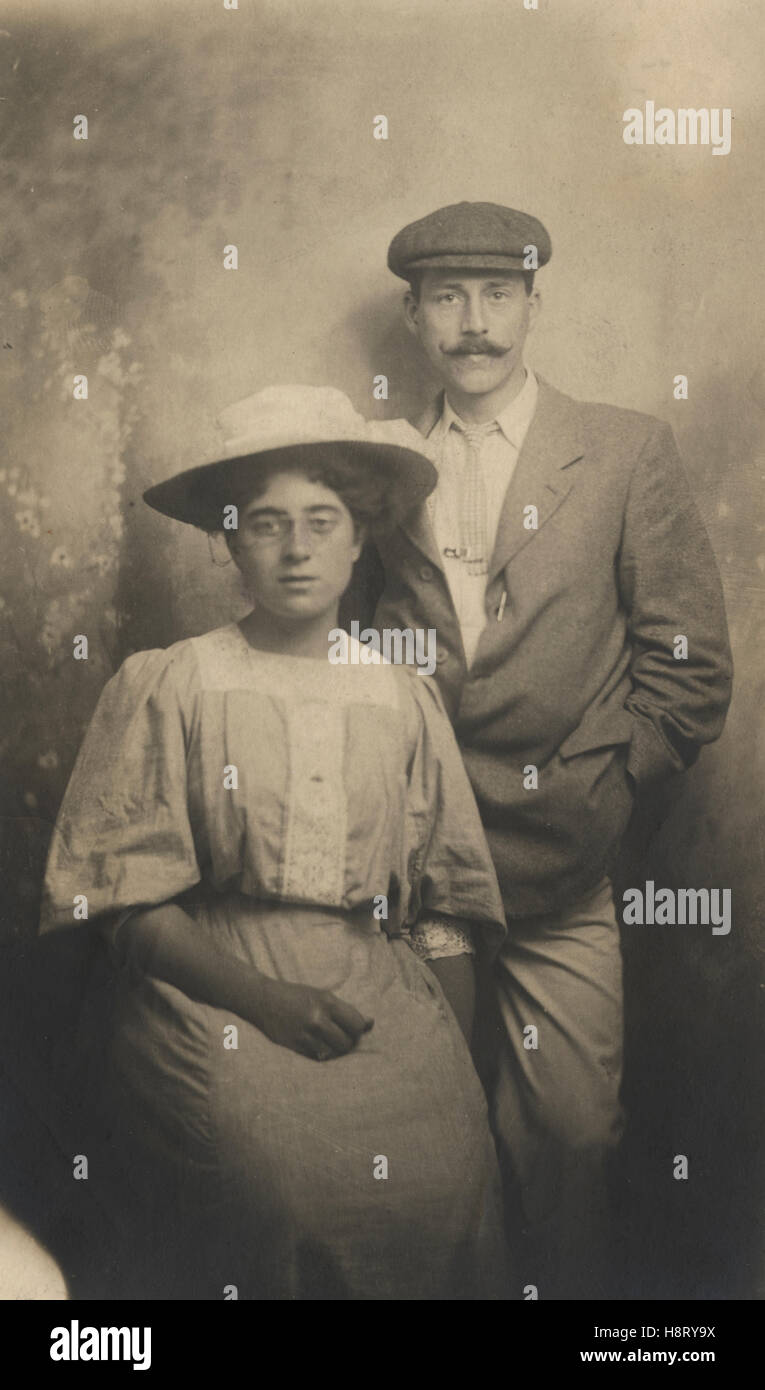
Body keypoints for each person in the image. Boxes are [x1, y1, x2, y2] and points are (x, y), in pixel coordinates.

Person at [39, 385, 510, 1301]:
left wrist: (459, 1068)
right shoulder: (173, 683)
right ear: (227, 541)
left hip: (377, 985)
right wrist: (265, 999)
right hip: (209, 980)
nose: (297, 549)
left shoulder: (398, 694)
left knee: (452, 1170)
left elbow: (446, 905)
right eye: (265, 524)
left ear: (359, 535)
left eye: (321, 521)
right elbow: (121, 902)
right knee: (284, 1190)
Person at [355, 201, 734, 1297]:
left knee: (569, 1138)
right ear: (413, 316)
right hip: (416, 864)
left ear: (534, 303)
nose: (474, 324)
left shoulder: (622, 451)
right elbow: (350, 648)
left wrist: (608, 796)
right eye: (446, 299)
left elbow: (690, 667)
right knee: (419, 1146)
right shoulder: (380, 469)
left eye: (498, 295)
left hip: (565, 865)